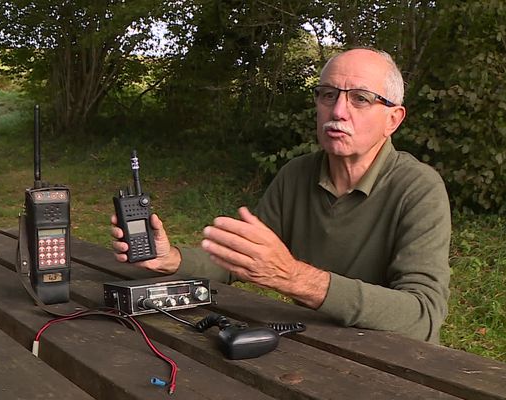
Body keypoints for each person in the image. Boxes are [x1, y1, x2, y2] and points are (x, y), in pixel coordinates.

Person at [111, 47, 451, 343]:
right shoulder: (297, 174)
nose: (338, 111)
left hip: (393, 362)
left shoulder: (419, 188)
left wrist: (293, 277)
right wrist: (171, 259)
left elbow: (422, 316)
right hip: (311, 345)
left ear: (393, 118)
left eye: (360, 98)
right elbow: (239, 261)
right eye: (328, 94)